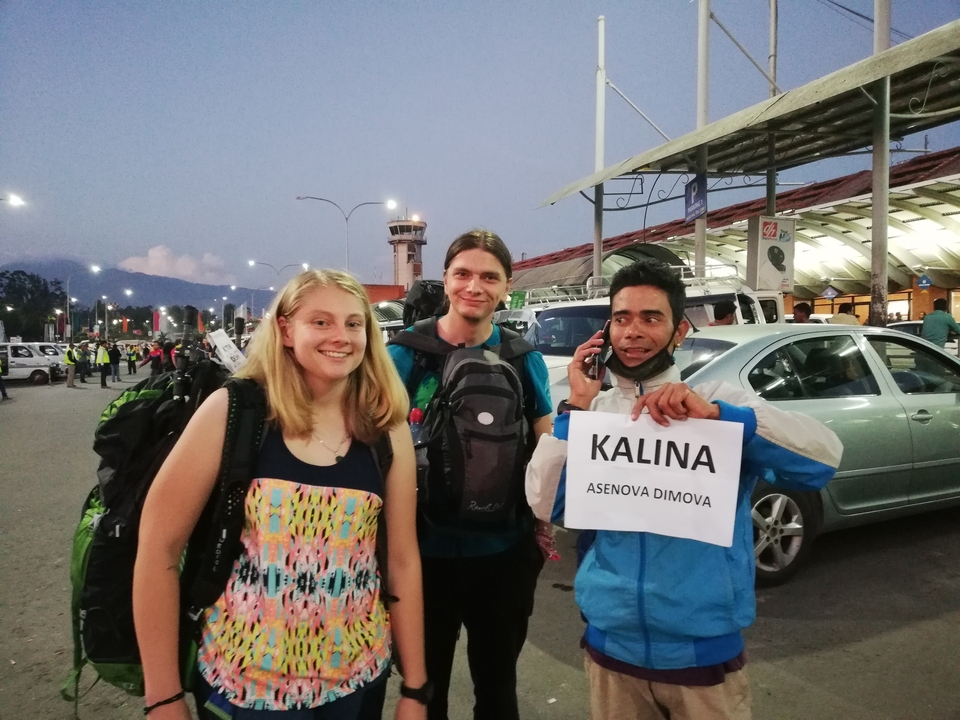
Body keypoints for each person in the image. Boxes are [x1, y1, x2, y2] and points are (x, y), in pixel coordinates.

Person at [525, 259, 842, 720]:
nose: (633, 332)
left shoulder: (718, 402)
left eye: (651, 318)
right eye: (621, 318)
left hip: (704, 657)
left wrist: (723, 419)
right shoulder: (592, 415)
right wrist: (575, 407)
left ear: (679, 331)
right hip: (611, 650)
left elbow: (823, 460)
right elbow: (545, 500)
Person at [133, 269, 428, 720]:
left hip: (357, 676)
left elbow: (402, 560)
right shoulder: (233, 412)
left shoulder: (386, 428)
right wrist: (163, 696)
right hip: (247, 684)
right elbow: (158, 550)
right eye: (322, 322)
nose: (341, 337)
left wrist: (415, 687)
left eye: (354, 324)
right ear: (287, 329)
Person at [386, 229, 553, 720]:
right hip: (421, 557)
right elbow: (375, 442)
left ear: (506, 286)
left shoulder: (524, 358)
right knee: (424, 687)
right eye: (463, 273)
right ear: (445, 278)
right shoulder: (405, 354)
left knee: (498, 688)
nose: (474, 286)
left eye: (489, 277)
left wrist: (546, 522)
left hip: (503, 556)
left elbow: (544, 443)